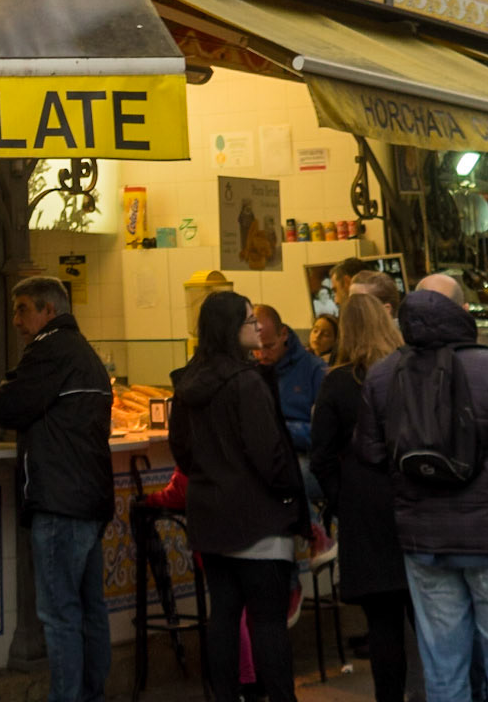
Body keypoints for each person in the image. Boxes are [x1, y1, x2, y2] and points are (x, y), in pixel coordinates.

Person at [357, 271, 488, 702]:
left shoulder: (381, 376)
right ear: (461, 311)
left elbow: (371, 455)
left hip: (424, 542)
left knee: (444, 669)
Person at [169, 289, 308, 702]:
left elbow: (182, 449)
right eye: (249, 321)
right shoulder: (245, 383)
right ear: (232, 328)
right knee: (267, 622)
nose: (257, 329)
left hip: (210, 515)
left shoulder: (188, 382)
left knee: (224, 617)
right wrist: (288, 497)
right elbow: (269, 452)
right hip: (257, 518)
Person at [0, 275, 114, 702]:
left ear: (48, 311)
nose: (17, 320)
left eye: (23, 308)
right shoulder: (84, 353)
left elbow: (9, 407)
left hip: (59, 502)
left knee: (59, 616)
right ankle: (92, 694)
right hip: (90, 498)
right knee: (90, 610)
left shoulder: (49, 349)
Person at [310, 292, 408, 702]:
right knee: (433, 616)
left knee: (383, 622)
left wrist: (340, 499)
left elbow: (321, 456)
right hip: (414, 502)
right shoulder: (407, 371)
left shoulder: (337, 381)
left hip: (364, 511)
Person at [253, 303, 327, 450]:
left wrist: (278, 430)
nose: (262, 355)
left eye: (269, 346)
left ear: (284, 334)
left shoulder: (315, 369)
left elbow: (324, 431)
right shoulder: (247, 369)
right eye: (257, 348)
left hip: (298, 449)